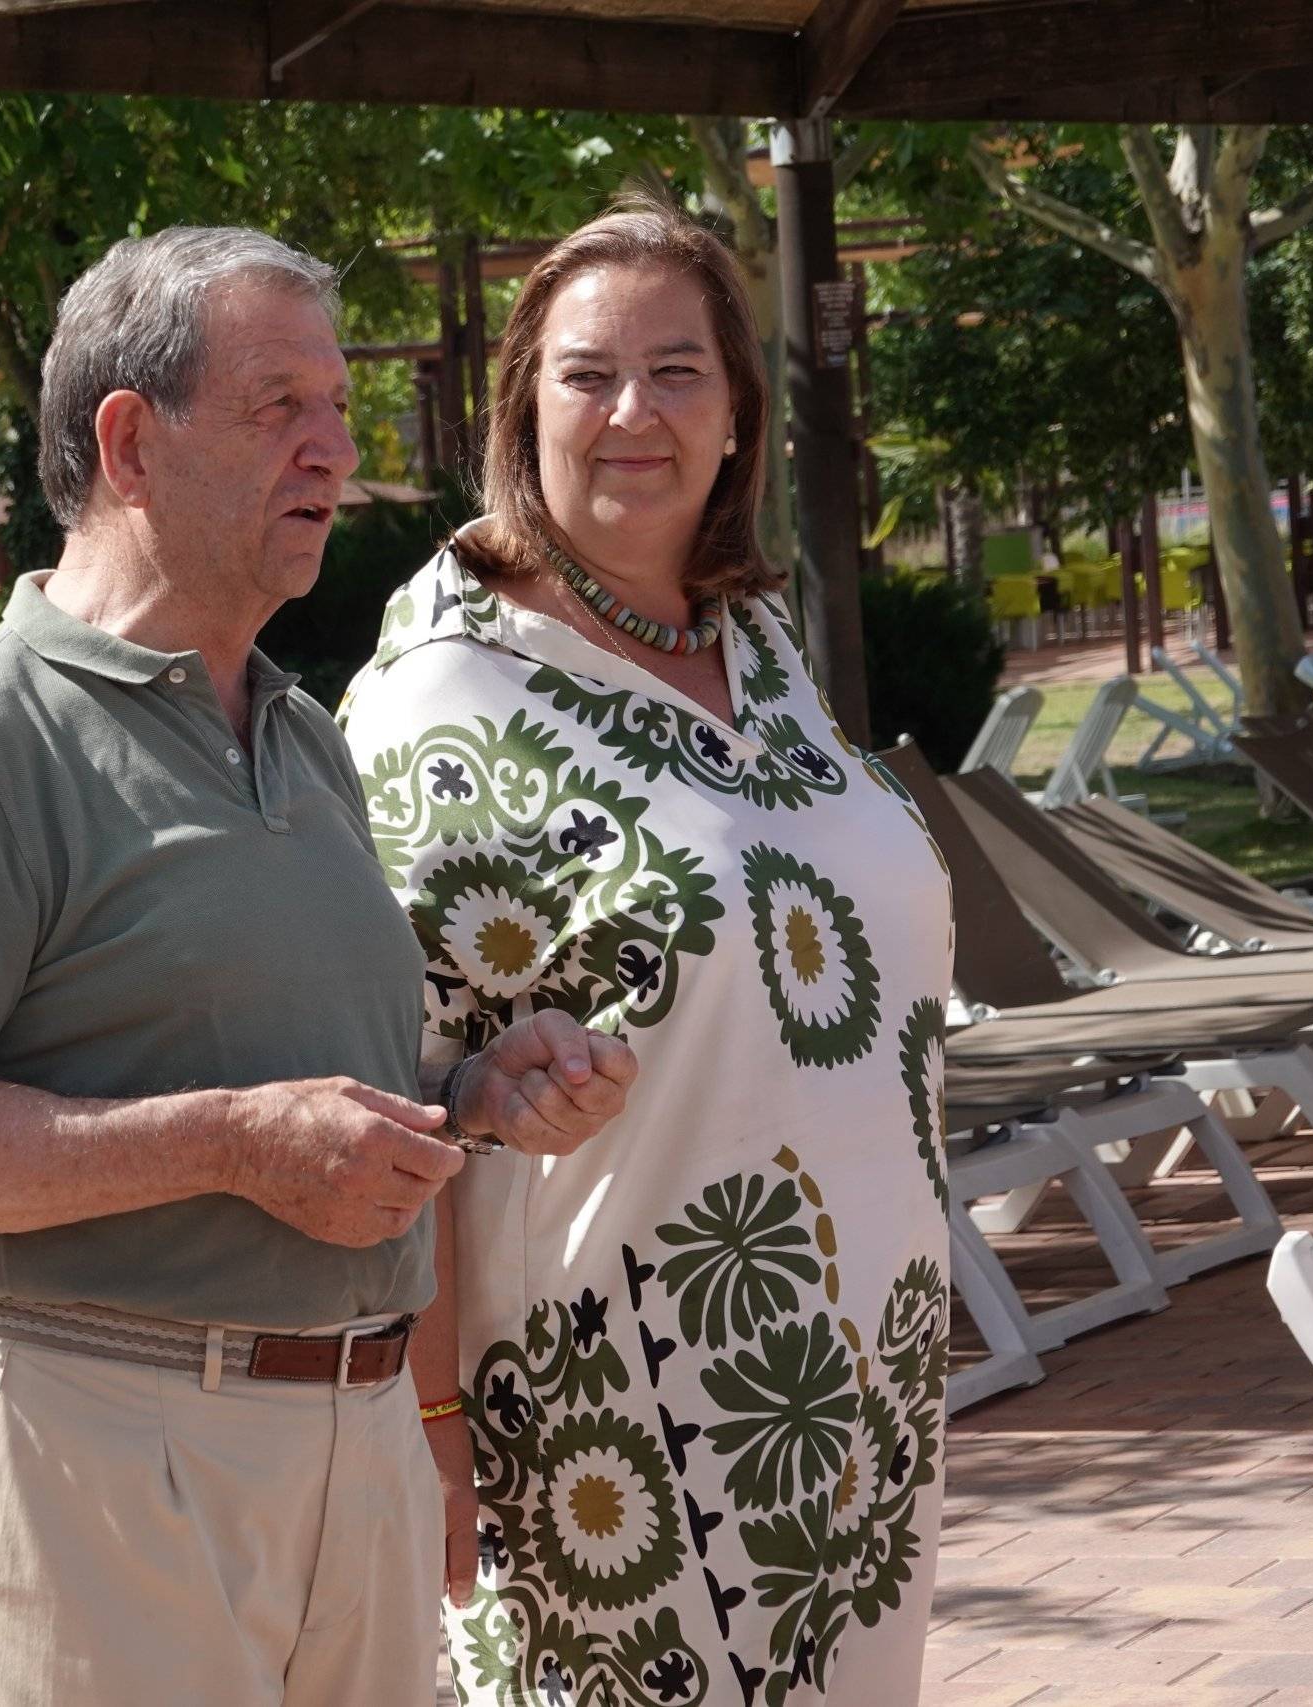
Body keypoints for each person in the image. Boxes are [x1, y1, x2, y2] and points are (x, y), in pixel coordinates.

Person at [0, 226, 637, 1707]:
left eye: (337, 408)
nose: (336, 450)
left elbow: (304, 1084)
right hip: (100, 1444)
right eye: (281, 410)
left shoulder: (303, 734)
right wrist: (229, 1147)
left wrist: (466, 1095)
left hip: (355, 1441)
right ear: (130, 442)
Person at [339, 194, 952, 1706]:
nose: (633, 413)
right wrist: (429, 1436)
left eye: (678, 372)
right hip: (618, 1429)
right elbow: (383, 1088)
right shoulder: (437, 699)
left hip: (858, 1406)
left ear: (739, 415)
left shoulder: (761, 644)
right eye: (586, 374)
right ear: (520, 410)